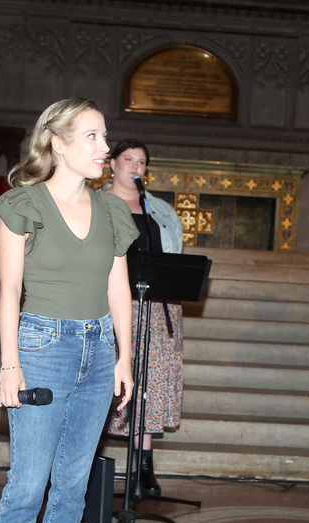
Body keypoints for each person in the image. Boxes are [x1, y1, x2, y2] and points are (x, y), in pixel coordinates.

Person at [0, 97, 138, 523]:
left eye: (104, 136)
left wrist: (124, 358)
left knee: (72, 488)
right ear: (58, 143)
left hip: (100, 349)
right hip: (42, 348)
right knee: (29, 487)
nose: (104, 147)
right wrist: (10, 365)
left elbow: (118, 288)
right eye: (93, 136)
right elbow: (9, 290)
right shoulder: (22, 204)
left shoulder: (112, 209)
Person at [102, 139, 184, 497]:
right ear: (112, 165)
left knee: (150, 385)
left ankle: (143, 469)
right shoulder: (97, 203)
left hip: (157, 307)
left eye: (142, 162)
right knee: (113, 383)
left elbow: (175, 257)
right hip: (114, 306)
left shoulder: (161, 210)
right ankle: (91, 465)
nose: (135, 167)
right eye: (128, 159)